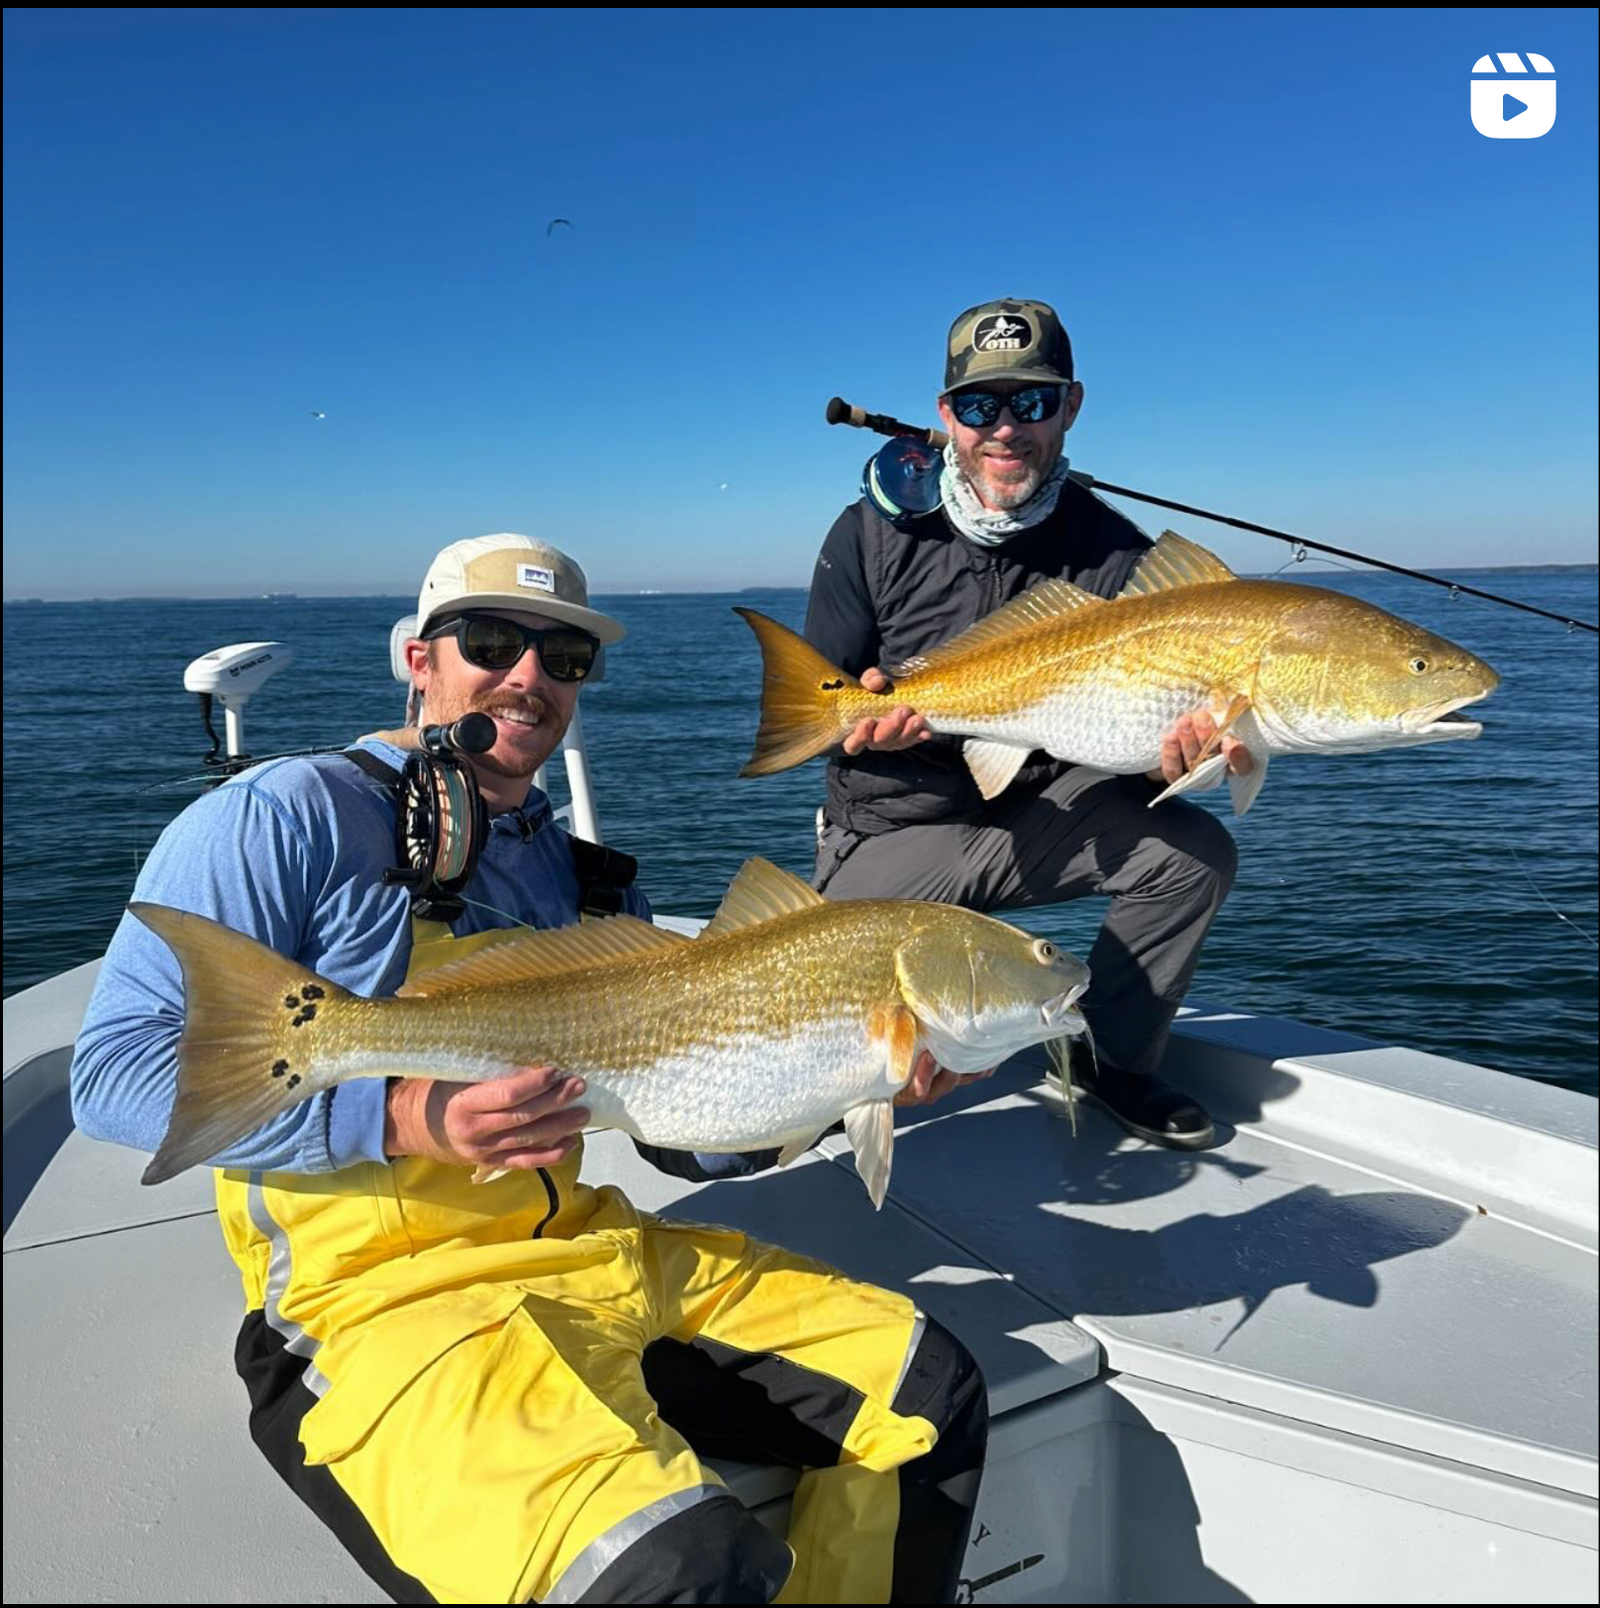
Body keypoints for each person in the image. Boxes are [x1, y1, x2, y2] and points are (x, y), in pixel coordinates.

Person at [71, 533, 988, 1605]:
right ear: (419, 660)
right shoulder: (283, 816)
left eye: (564, 658)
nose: (529, 677)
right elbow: (116, 1073)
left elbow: (679, 1135)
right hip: (384, 1304)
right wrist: (408, 1114)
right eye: (493, 641)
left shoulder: (585, 879)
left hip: (593, 1252)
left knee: (926, 1395)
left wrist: (849, 1085)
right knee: (675, 1571)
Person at [805, 299, 1250, 1149]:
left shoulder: (1121, 557)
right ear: (947, 417)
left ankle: (1110, 1061)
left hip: (1037, 816)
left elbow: (1126, 735)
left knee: (1197, 853)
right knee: (824, 1077)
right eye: (979, 406)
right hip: (899, 827)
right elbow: (821, 699)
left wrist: (1175, 762)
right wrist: (852, 722)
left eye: (1031, 403)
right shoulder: (869, 534)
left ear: (1070, 406)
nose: (1004, 430)